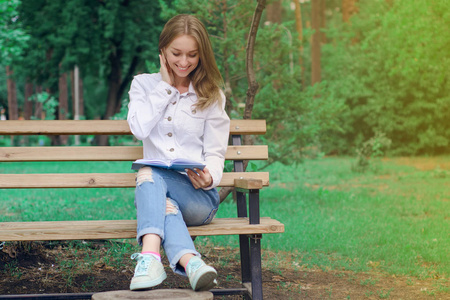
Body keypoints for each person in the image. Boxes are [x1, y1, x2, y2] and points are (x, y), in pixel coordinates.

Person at [126, 14, 230, 292]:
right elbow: (138, 128)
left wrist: (211, 178)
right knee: (161, 196)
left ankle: (149, 258)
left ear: (202, 55)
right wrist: (165, 87)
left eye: (192, 55)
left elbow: (216, 152)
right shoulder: (143, 85)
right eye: (176, 53)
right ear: (162, 51)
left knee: (148, 175)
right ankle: (192, 263)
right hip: (158, 196)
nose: (184, 62)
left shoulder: (211, 94)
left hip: (198, 197)